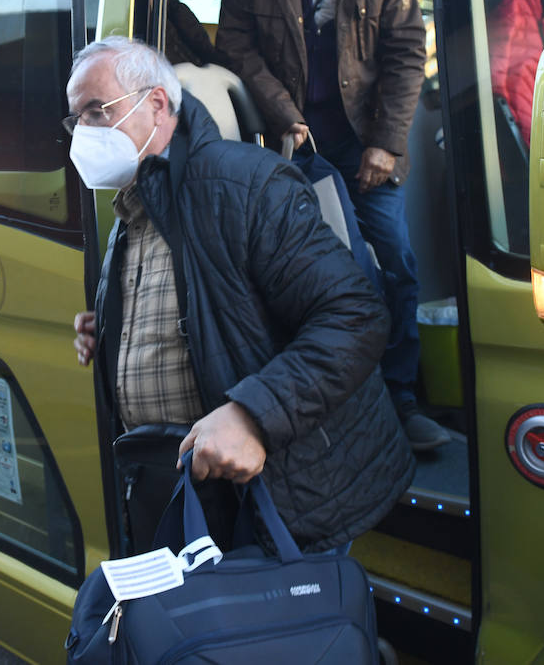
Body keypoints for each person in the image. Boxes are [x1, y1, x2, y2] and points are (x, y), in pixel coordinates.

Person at [68, 36, 414, 553]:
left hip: (278, 499)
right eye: (76, 119)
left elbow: (355, 316)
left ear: (156, 104)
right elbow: (210, 306)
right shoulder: (135, 208)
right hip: (194, 498)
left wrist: (253, 414)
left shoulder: (246, 184)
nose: (84, 133)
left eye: (98, 111)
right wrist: (121, 328)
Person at [214, 0, 450, 451]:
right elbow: (237, 48)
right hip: (298, 147)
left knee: (395, 262)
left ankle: (400, 397)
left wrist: (386, 145)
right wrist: (285, 115)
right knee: (328, 275)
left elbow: (404, 55)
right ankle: (344, 404)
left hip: (365, 142)